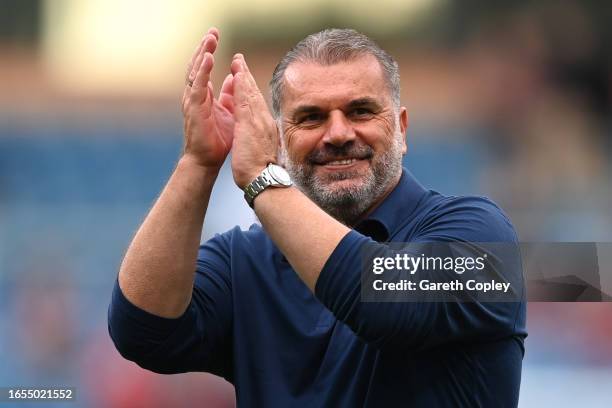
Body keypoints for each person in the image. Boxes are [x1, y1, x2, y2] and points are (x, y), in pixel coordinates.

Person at [108, 27, 527, 407]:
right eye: (311, 117)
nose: (339, 133)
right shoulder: (245, 261)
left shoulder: (481, 233)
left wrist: (261, 179)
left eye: (361, 111)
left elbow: (386, 309)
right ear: (279, 139)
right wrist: (198, 164)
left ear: (402, 130)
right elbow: (142, 331)